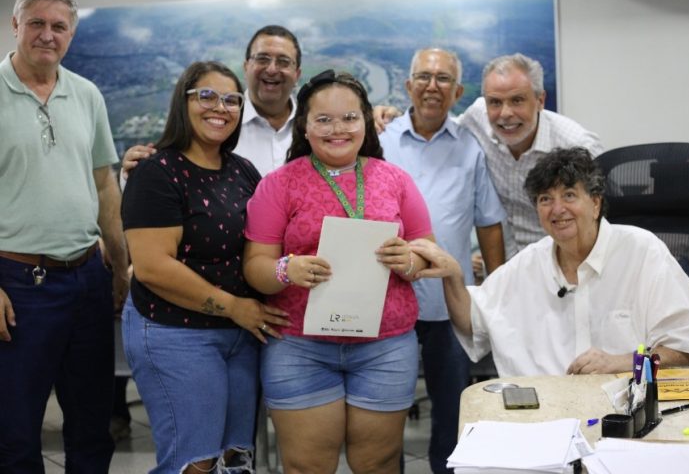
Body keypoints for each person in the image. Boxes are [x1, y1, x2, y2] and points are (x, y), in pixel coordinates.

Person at [243, 70, 433, 473]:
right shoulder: (278, 184)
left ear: (366, 121)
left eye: (349, 118)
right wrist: (287, 269)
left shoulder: (395, 180)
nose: (338, 129)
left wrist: (409, 260)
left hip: (385, 346)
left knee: (379, 463)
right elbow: (255, 267)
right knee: (306, 466)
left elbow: (427, 252)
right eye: (324, 120)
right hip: (300, 347)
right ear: (304, 126)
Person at [410, 147, 689, 377]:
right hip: (547, 414)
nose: (557, 209)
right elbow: (474, 322)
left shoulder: (642, 252)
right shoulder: (528, 263)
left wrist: (623, 362)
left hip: (626, 410)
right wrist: (453, 275)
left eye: (569, 195)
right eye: (545, 199)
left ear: (596, 203)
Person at [121, 60, 289, 474]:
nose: (220, 108)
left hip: (239, 335)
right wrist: (233, 306)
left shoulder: (242, 170)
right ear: (184, 102)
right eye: (207, 96)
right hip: (175, 332)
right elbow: (152, 267)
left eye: (231, 100)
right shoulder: (156, 172)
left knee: (235, 457)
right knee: (194, 463)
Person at [0, 0, 129, 472]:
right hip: (16, 285)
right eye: (36, 23)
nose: (47, 35)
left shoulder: (87, 94)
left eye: (59, 26)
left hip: (87, 279)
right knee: (15, 433)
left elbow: (104, 185)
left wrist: (120, 267)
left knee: (92, 429)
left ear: (71, 33)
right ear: (15, 25)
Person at [378, 47, 506, 474]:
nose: (432, 86)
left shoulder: (471, 148)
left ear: (458, 92)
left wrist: (494, 294)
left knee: (452, 410)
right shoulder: (380, 141)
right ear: (408, 85)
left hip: (449, 303)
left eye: (443, 79)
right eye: (424, 77)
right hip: (387, 300)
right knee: (385, 409)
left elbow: (488, 223)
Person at [376, 53, 604, 259]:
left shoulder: (578, 146)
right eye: (495, 102)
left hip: (563, 260)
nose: (505, 113)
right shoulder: (477, 119)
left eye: (517, 100)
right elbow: (435, 124)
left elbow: (600, 219)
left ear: (540, 101)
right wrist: (393, 118)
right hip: (510, 267)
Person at [122, 24, 302, 178]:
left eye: (283, 61)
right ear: (246, 67)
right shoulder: (215, 124)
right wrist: (135, 172)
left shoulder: (312, 126)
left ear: (297, 74)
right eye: (262, 59)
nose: (272, 69)